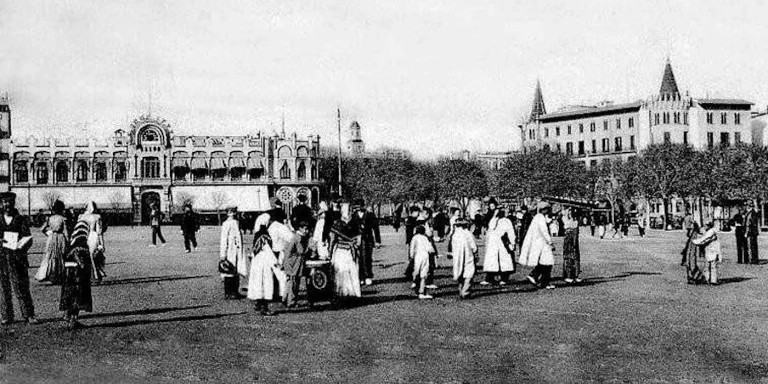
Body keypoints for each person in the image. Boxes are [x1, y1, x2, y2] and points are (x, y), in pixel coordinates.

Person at [0, 192, 37, 325]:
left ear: (14, 203)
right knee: (3, 288)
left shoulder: (20, 219)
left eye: (10, 202)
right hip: (2, 258)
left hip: (17, 258)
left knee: (21, 287)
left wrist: (20, 245)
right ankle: (6, 315)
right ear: (2, 204)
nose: (7, 205)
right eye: (5, 202)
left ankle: (29, 314)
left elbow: (28, 237)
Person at [59, 218, 94, 329]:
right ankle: (73, 320)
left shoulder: (72, 242)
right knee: (78, 296)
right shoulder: (82, 242)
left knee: (69, 295)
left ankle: (68, 315)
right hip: (78, 274)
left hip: (68, 273)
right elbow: (80, 258)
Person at [329, 202, 362, 300]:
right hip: (349, 251)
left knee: (343, 270)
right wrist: (355, 245)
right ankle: (352, 292)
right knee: (349, 270)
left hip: (341, 251)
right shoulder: (354, 223)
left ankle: (343, 292)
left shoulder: (337, 223)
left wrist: (330, 252)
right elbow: (359, 239)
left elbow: (332, 239)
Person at [248, 213, 278, 316]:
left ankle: (258, 303)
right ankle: (264, 307)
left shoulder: (257, 235)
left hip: (257, 262)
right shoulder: (266, 236)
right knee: (266, 283)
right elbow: (268, 251)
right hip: (265, 262)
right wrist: (275, 263)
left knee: (257, 283)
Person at [520, 202, 556, 290]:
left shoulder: (538, 217)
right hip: (542, 243)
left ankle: (535, 276)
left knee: (544, 262)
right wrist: (550, 242)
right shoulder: (540, 218)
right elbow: (544, 231)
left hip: (539, 243)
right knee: (548, 262)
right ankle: (541, 280)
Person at [35, 200, 69, 284]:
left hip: (51, 238)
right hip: (60, 238)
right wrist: (68, 241)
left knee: (50, 256)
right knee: (60, 255)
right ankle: (58, 275)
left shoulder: (50, 218)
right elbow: (66, 232)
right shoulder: (63, 218)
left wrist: (49, 234)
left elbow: (42, 229)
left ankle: (48, 275)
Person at [480, 208, 516, 286]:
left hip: (503, 243)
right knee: (492, 262)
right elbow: (491, 227)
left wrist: (512, 242)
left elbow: (511, 232)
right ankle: (489, 279)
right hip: (493, 244)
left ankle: (504, 279)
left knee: (504, 262)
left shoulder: (507, 221)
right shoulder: (493, 220)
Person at [283, 221, 312, 308]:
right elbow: (300, 251)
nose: (306, 231)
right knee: (293, 282)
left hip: (295, 262)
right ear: (300, 228)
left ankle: (285, 299)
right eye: (305, 229)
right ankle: (291, 301)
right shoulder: (298, 238)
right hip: (294, 262)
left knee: (292, 281)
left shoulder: (298, 237)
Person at [219, 206, 246, 299]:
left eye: (234, 212)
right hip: (230, 249)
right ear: (227, 213)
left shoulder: (237, 222)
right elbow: (223, 239)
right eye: (230, 212)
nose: (233, 214)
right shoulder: (226, 224)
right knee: (229, 270)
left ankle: (235, 291)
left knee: (236, 271)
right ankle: (228, 292)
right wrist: (223, 254)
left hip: (237, 249)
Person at [78, 202, 106, 282]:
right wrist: (102, 243)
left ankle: (86, 276)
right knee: (95, 256)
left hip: (83, 236)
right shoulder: (97, 217)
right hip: (93, 236)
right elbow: (99, 231)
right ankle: (96, 275)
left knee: (84, 256)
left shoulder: (81, 217)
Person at [451, 219, 477, 298]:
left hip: (457, 256)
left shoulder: (455, 234)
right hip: (468, 255)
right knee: (469, 272)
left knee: (460, 271)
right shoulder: (467, 233)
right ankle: (465, 290)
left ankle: (460, 288)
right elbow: (473, 246)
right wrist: (475, 251)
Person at [357, 202, 381, 286]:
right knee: (358, 258)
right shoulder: (353, 215)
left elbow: (376, 228)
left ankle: (368, 276)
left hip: (368, 239)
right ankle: (360, 277)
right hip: (356, 240)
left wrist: (378, 241)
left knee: (367, 257)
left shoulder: (370, 215)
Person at [410, 225, 435, 300]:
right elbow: (430, 249)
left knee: (416, 272)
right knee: (424, 274)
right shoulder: (425, 238)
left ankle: (416, 285)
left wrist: (411, 256)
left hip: (417, 256)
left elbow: (412, 248)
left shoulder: (414, 238)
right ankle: (422, 291)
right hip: (425, 256)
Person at [562, 207, 582, 284]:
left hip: (575, 239)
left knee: (576, 257)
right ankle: (568, 275)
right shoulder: (565, 219)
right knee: (568, 256)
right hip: (569, 240)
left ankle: (576, 275)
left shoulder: (575, 220)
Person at [403, 206, 421, 279]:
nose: (418, 213)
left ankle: (411, 271)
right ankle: (409, 272)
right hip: (412, 240)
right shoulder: (411, 220)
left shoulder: (410, 219)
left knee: (414, 256)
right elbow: (410, 231)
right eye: (417, 212)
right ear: (413, 212)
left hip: (412, 239)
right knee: (413, 256)